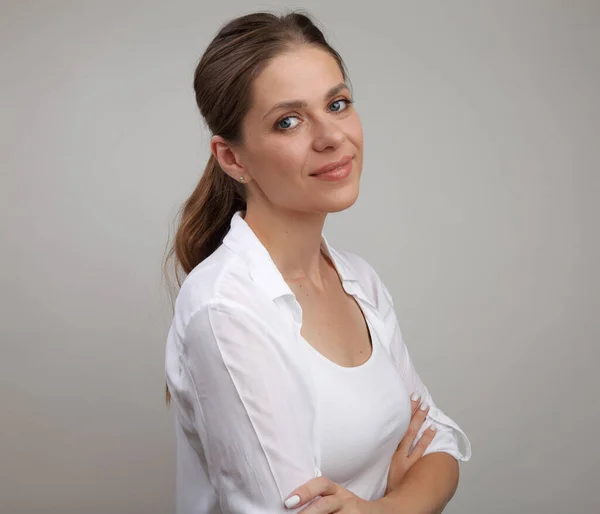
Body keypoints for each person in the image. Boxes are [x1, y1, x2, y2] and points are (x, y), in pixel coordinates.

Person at [164, 10, 471, 514]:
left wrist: (382, 508)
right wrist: (403, 492)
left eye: (338, 103)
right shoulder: (226, 310)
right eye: (288, 121)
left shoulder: (357, 281)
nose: (331, 137)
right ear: (233, 159)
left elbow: (438, 444)